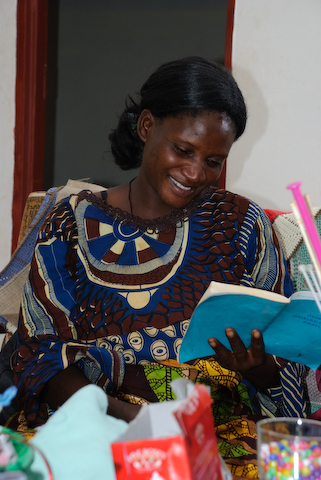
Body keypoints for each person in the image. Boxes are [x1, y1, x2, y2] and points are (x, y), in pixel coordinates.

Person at [12, 57, 308, 478]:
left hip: (216, 434)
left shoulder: (243, 225)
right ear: (147, 126)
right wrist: (134, 423)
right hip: (91, 422)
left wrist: (258, 368)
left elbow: (283, 362)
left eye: (213, 161)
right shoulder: (70, 222)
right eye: (184, 150)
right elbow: (39, 351)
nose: (195, 172)